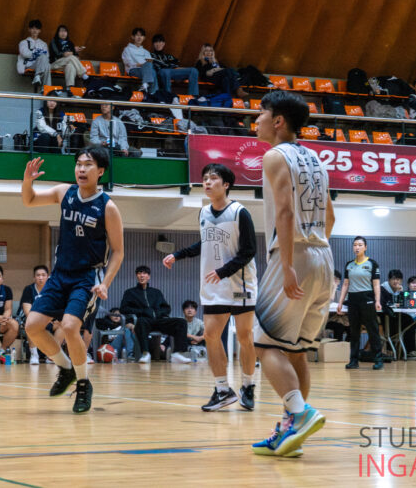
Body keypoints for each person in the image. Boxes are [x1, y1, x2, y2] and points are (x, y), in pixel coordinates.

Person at [250, 90, 334, 458]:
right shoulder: (316, 158)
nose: (256, 122)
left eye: (261, 115)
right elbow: (330, 217)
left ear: (278, 121)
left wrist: (286, 265)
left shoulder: (274, 155)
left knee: (264, 344)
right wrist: (313, 254)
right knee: (297, 351)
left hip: (294, 254)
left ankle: (299, 415)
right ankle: (289, 430)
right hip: (324, 254)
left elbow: (284, 213)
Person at [21, 148, 125, 414]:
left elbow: (119, 251)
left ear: (100, 171)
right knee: (32, 326)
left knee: (69, 327)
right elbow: (29, 200)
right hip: (60, 274)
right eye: (78, 164)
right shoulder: (64, 193)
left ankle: (83, 383)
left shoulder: (108, 207)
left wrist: (106, 283)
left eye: (88, 165)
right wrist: (27, 180)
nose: (81, 169)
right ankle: (66, 369)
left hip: (87, 277)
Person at [164, 162, 258, 407]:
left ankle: (248, 385)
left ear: (226, 185)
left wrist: (223, 271)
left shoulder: (240, 212)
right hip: (213, 285)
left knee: (245, 337)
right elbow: (203, 243)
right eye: (204, 178)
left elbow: (249, 251)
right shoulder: (204, 212)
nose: (207, 182)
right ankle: (222, 389)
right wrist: (178, 254)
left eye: (213, 178)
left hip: (240, 284)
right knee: (210, 336)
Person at [119, 266, 191, 363]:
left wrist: (158, 312)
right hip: (144, 320)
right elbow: (124, 308)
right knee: (141, 321)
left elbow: (166, 308)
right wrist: (142, 311)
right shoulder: (130, 293)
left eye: (144, 273)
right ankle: (145, 353)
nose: (142, 275)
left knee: (181, 322)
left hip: (158, 320)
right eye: (139, 273)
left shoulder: (156, 292)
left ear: (149, 276)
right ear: (136, 276)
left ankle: (178, 353)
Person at [335, 236, 383, 370]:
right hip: (353, 300)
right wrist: (340, 302)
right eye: (355, 245)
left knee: (373, 331)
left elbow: (376, 284)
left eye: (360, 245)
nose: (357, 247)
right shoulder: (349, 265)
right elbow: (345, 284)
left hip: (367, 298)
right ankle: (353, 361)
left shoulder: (372, 264)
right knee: (354, 332)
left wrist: (377, 301)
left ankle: (378, 360)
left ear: (365, 247)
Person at [20, 264, 57, 364]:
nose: (40, 278)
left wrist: (53, 319)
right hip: (33, 319)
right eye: (38, 275)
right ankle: (34, 354)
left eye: (43, 275)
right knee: (31, 323)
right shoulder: (29, 289)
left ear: (48, 277)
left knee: (62, 325)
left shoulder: (53, 290)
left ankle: (52, 354)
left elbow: (56, 308)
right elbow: (28, 311)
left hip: (49, 319)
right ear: (34, 277)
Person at [48, 25, 89, 90]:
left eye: (65, 31)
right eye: (61, 31)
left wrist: (76, 53)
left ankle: (69, 88)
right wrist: (65, 54)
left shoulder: (70, 43)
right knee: (70, 58)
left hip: (64, 66)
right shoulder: (54, 41)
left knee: (70, 66)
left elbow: (75, 56)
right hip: (55, 64)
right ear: (57, 33)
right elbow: (57, 53)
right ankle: (83, 74)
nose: (63, 33)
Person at [17, 19, 51, 94]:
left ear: (40, 30)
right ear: (29, 30)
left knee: (46, 63)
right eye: (33, 28)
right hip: (29, 65)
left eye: (37, 28)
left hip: (40, 65)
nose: (35, 30)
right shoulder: (23, 42)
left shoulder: (43, 44)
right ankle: (46, 88)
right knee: (43, 59)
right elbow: (25, 53)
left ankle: (38, 77)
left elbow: (47, 56)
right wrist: (36, 52)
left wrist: (39, 54)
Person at [121, 27, 158, 94]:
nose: (139, 37)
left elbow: (149, 63)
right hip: (133, 69)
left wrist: (145, 65)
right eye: (137, 35)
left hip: (145, 70)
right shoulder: (127, 49)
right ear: (133, 37)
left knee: (152, 71)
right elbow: (127, 62)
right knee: (152, 72)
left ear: (144, 38)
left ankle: (145, 85)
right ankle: (153, 93)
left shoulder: (146, 52)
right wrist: (140, 64)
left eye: (141, 35)